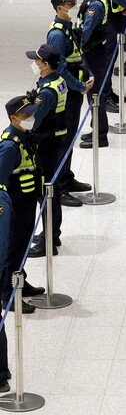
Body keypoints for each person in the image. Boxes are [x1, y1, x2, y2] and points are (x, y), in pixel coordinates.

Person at [45, 0, 93, 204]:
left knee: (71, 135)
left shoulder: (67, 29)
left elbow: (78, 54)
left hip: (76, 89)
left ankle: (67, 176)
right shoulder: (56, 34)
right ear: (59, 8)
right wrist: (79, 86)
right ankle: (60, 186)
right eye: (70, 3)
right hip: (67, 93)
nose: (73, 5)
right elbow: (61, 68)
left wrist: (88, 75)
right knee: (64, 139)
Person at [0, 96, 45, 315]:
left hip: (27, 201)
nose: (30, 118)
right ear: (13, 118)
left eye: (31, 113)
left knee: (23, 245)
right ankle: (8, 293)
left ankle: (21, 280)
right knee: (14, 249)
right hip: (16, 206)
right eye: (25, 115)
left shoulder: (24, 135)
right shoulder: (9, 146)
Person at [26, 45, 67, 259]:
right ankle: (53, 233)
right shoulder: (56, 80)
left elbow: (34, 120)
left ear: (46, 64)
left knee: (46, 193)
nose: (35, 62)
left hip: (46, 144)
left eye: (38, 60)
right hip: (53, 140)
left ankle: (49, 240)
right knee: (52, 190)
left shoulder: (48, 91)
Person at [74, 0, 111, 149]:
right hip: (94, 51)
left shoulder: (96, 4)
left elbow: (87, 30)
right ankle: (97, 128)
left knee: (95, 94)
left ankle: (101, 134)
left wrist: (77, 47)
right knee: (94, 93)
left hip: (94, 53)